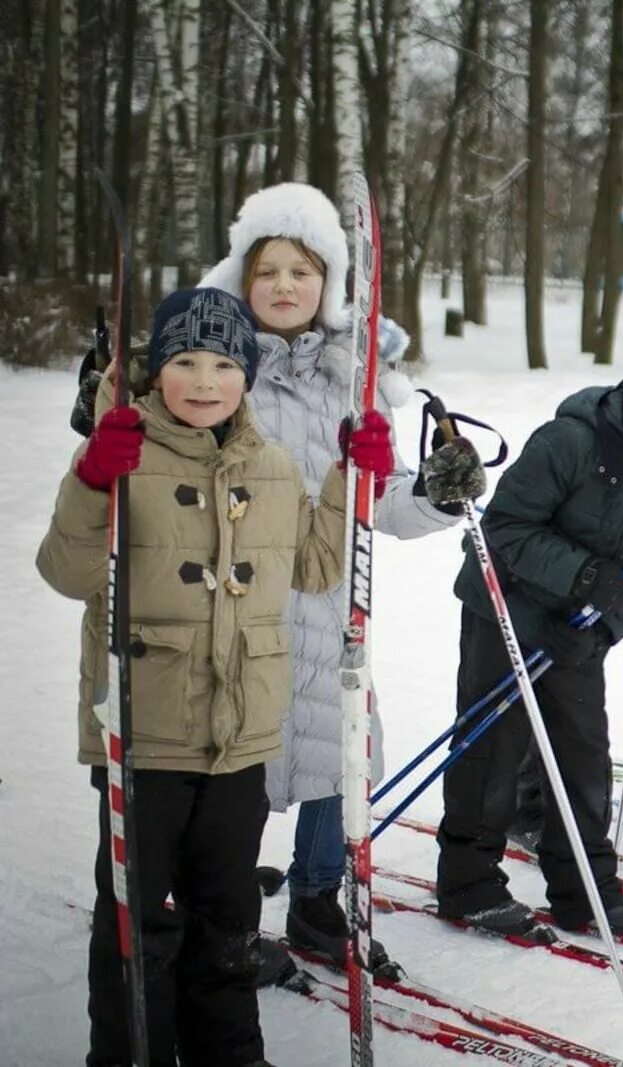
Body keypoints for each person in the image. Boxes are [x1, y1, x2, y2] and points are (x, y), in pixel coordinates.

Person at [38, 287, 391, 1067]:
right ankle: (132, 1052)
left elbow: (318, 562)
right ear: (155, 370)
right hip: (145, 738)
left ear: (248, 372)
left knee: (228, 918)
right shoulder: (121, 452)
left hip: (240, 741)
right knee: (140, 924)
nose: (205, 380)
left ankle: (229, 1053)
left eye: (226, 362)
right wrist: (94, 479)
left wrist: (348, 482)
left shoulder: (267, 464)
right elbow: (64, 570)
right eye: (185, 361)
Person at [190, 182, 480, 971]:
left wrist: (431, 491)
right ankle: (225, 914)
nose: (285, 285)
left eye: (303, 270)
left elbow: (377, 501)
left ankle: (320, 898)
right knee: (234, 766)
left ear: (329, 283)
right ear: (239, 277)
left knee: (339, 751)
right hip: (229, 604)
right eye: (268, 269)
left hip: (324, 602)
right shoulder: (214, 368)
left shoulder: (354, 381)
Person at [435, 340, 623, 937]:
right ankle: (470, 884)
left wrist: (602, 634)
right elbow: (500, 533)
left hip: (576, 632)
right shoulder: (569, 441)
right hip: (504, 608)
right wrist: (588, 576)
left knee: (585, 758)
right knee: (494, 750)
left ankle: (585, 889)